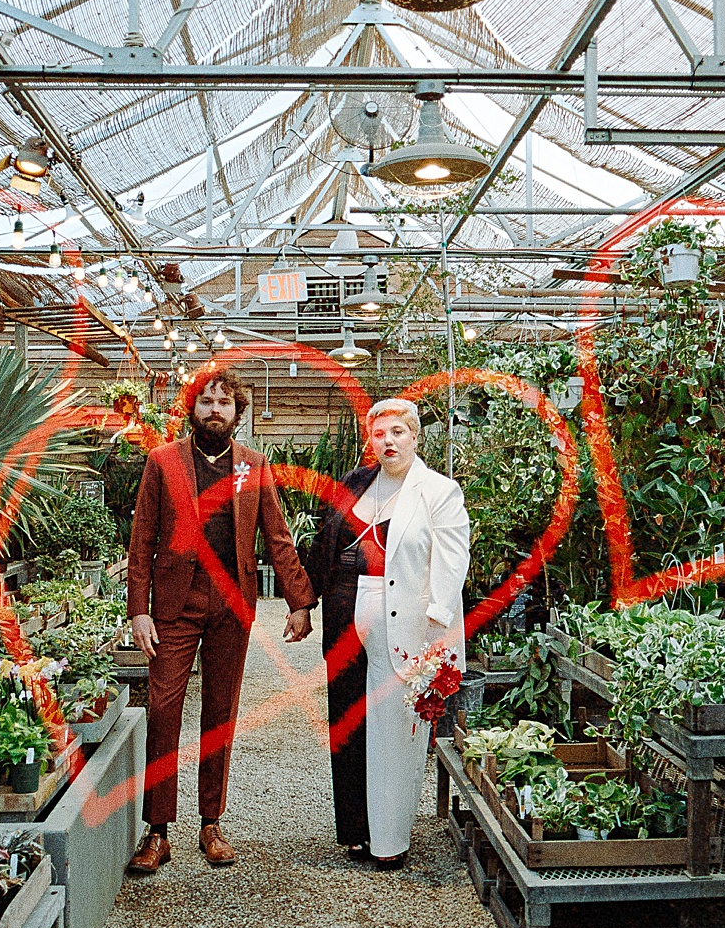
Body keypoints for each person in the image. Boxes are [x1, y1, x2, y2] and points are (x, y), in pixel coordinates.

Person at [125, 366, 315, 875]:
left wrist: (299, 601)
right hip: (174, 606)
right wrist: (138, 610)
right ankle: (158, 831)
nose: (214, 409)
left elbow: (277, 537)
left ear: (237, 413)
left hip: (232, 603)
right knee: (164, 710)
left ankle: (211, 823)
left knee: (219, 713)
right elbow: (141, 539)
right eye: (206, 401)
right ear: (193, 408)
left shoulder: (253, 466)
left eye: (224, 402)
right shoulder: (163, 462)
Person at [304, 398, 470, 869]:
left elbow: (452, 559)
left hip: (405, 620)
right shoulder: (357, 484)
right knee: (349, 719)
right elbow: (325, 542)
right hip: (345, 611)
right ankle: (356, 831)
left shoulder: (438, 491)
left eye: (398, 432)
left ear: (415, 437)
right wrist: (305, 602)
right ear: (370, 441)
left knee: (395, 728)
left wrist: (438, 620)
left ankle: (390, 840)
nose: (388, 442)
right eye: (379, 434)